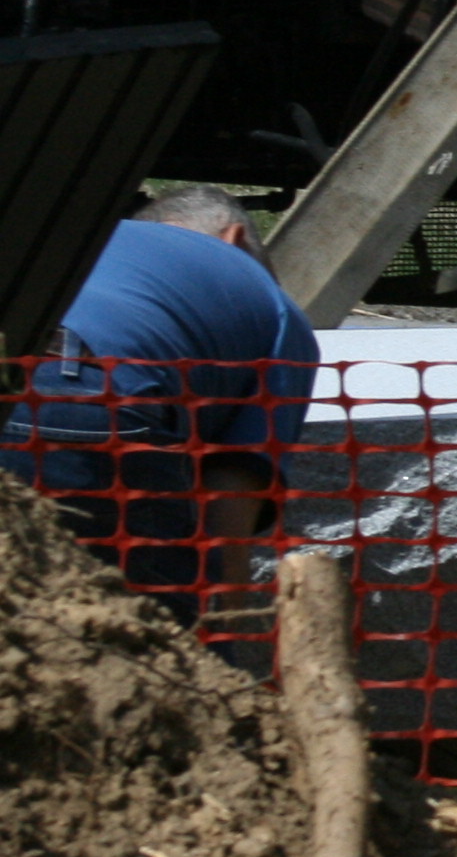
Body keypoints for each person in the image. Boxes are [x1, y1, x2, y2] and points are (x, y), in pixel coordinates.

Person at [6, 186, 321, 620]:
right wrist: (219, 641)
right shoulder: (276, 309)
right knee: (160, 640)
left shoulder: (70, 240)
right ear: (235, 238)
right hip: (86, 401)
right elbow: (228, 502)